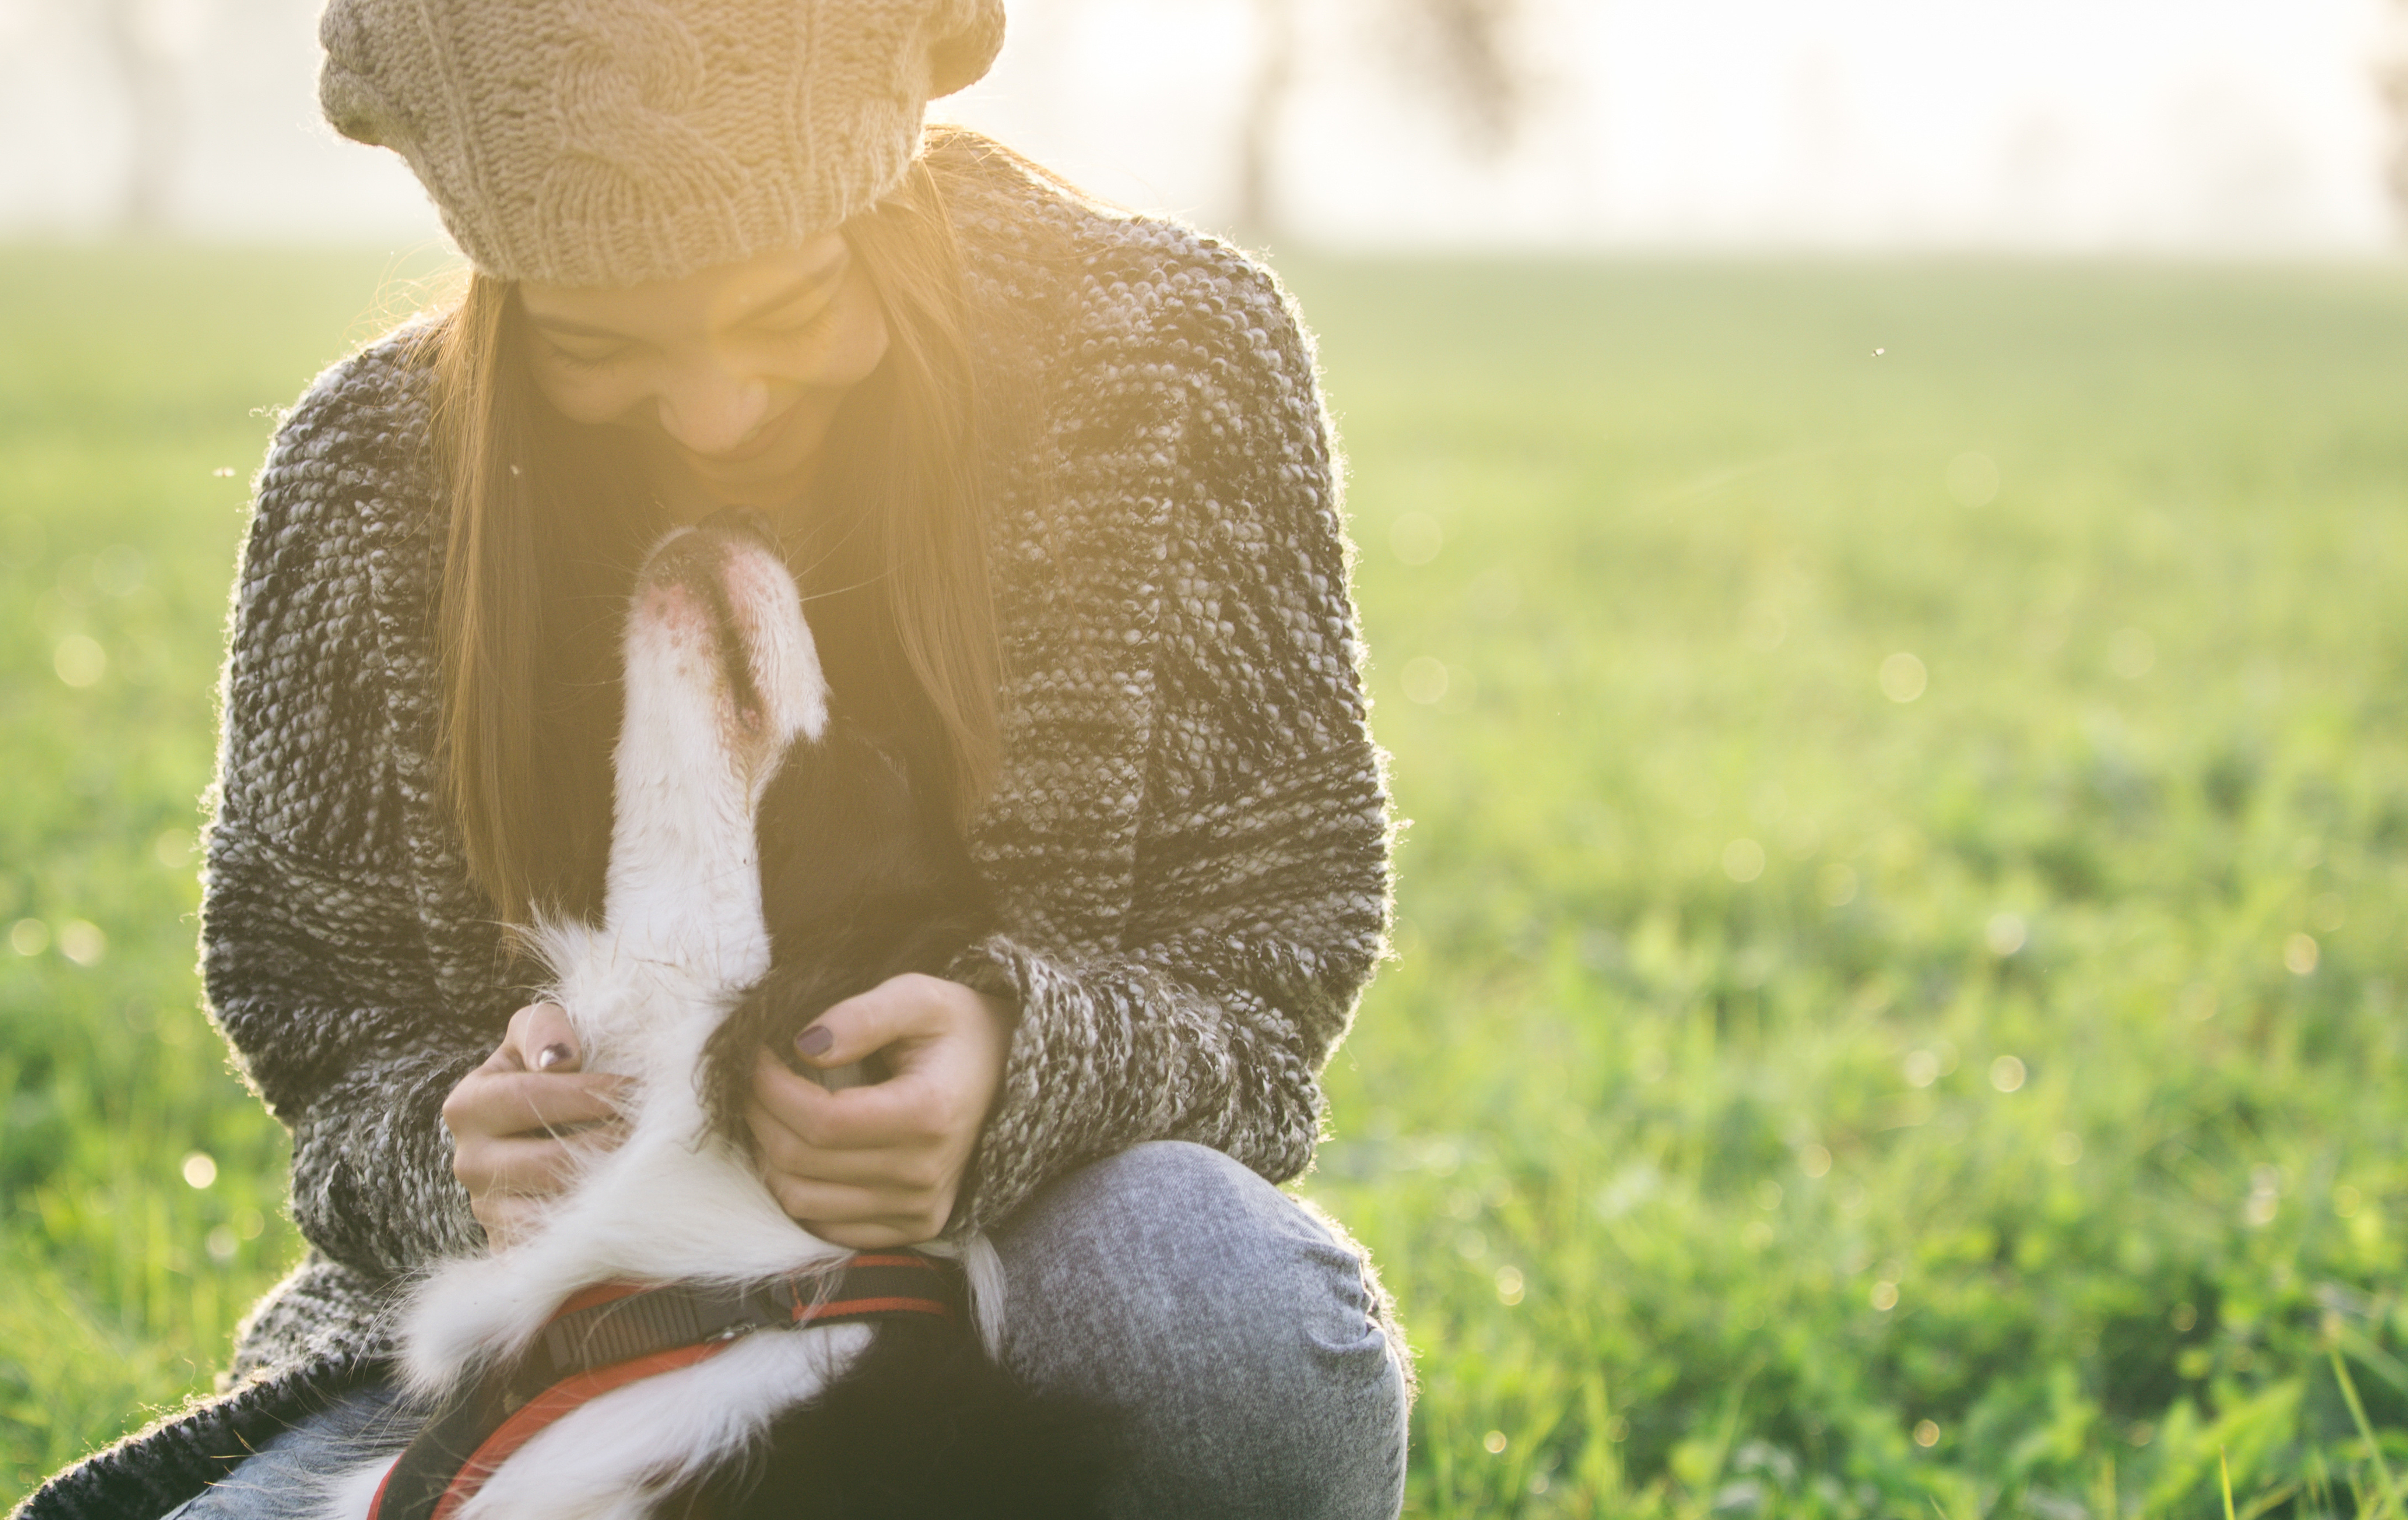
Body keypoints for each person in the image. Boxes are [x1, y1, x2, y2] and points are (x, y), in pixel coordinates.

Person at [16, 1, 1406, 1516]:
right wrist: (458, 1153)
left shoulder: (1170, 364)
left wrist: (1019, 1071)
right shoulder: (368, 477)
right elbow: (319, 1021)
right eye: (596, 342)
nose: (716, 410)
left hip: (1027, 1268)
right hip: (564, 1325)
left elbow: (1276, 944)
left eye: (791, 311)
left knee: (1219, 1309)